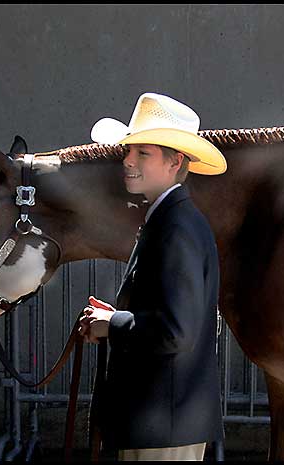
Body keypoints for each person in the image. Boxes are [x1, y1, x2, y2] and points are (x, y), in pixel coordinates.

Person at [79, 92, 227, 461]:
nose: (127, 160)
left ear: (176, 161)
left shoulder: (176, 227)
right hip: (161, 425)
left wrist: (113, 324)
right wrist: (113, 320)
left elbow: (175, 332)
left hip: (164, 429)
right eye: (130, 151)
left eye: (142, 153)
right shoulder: (169, 221)